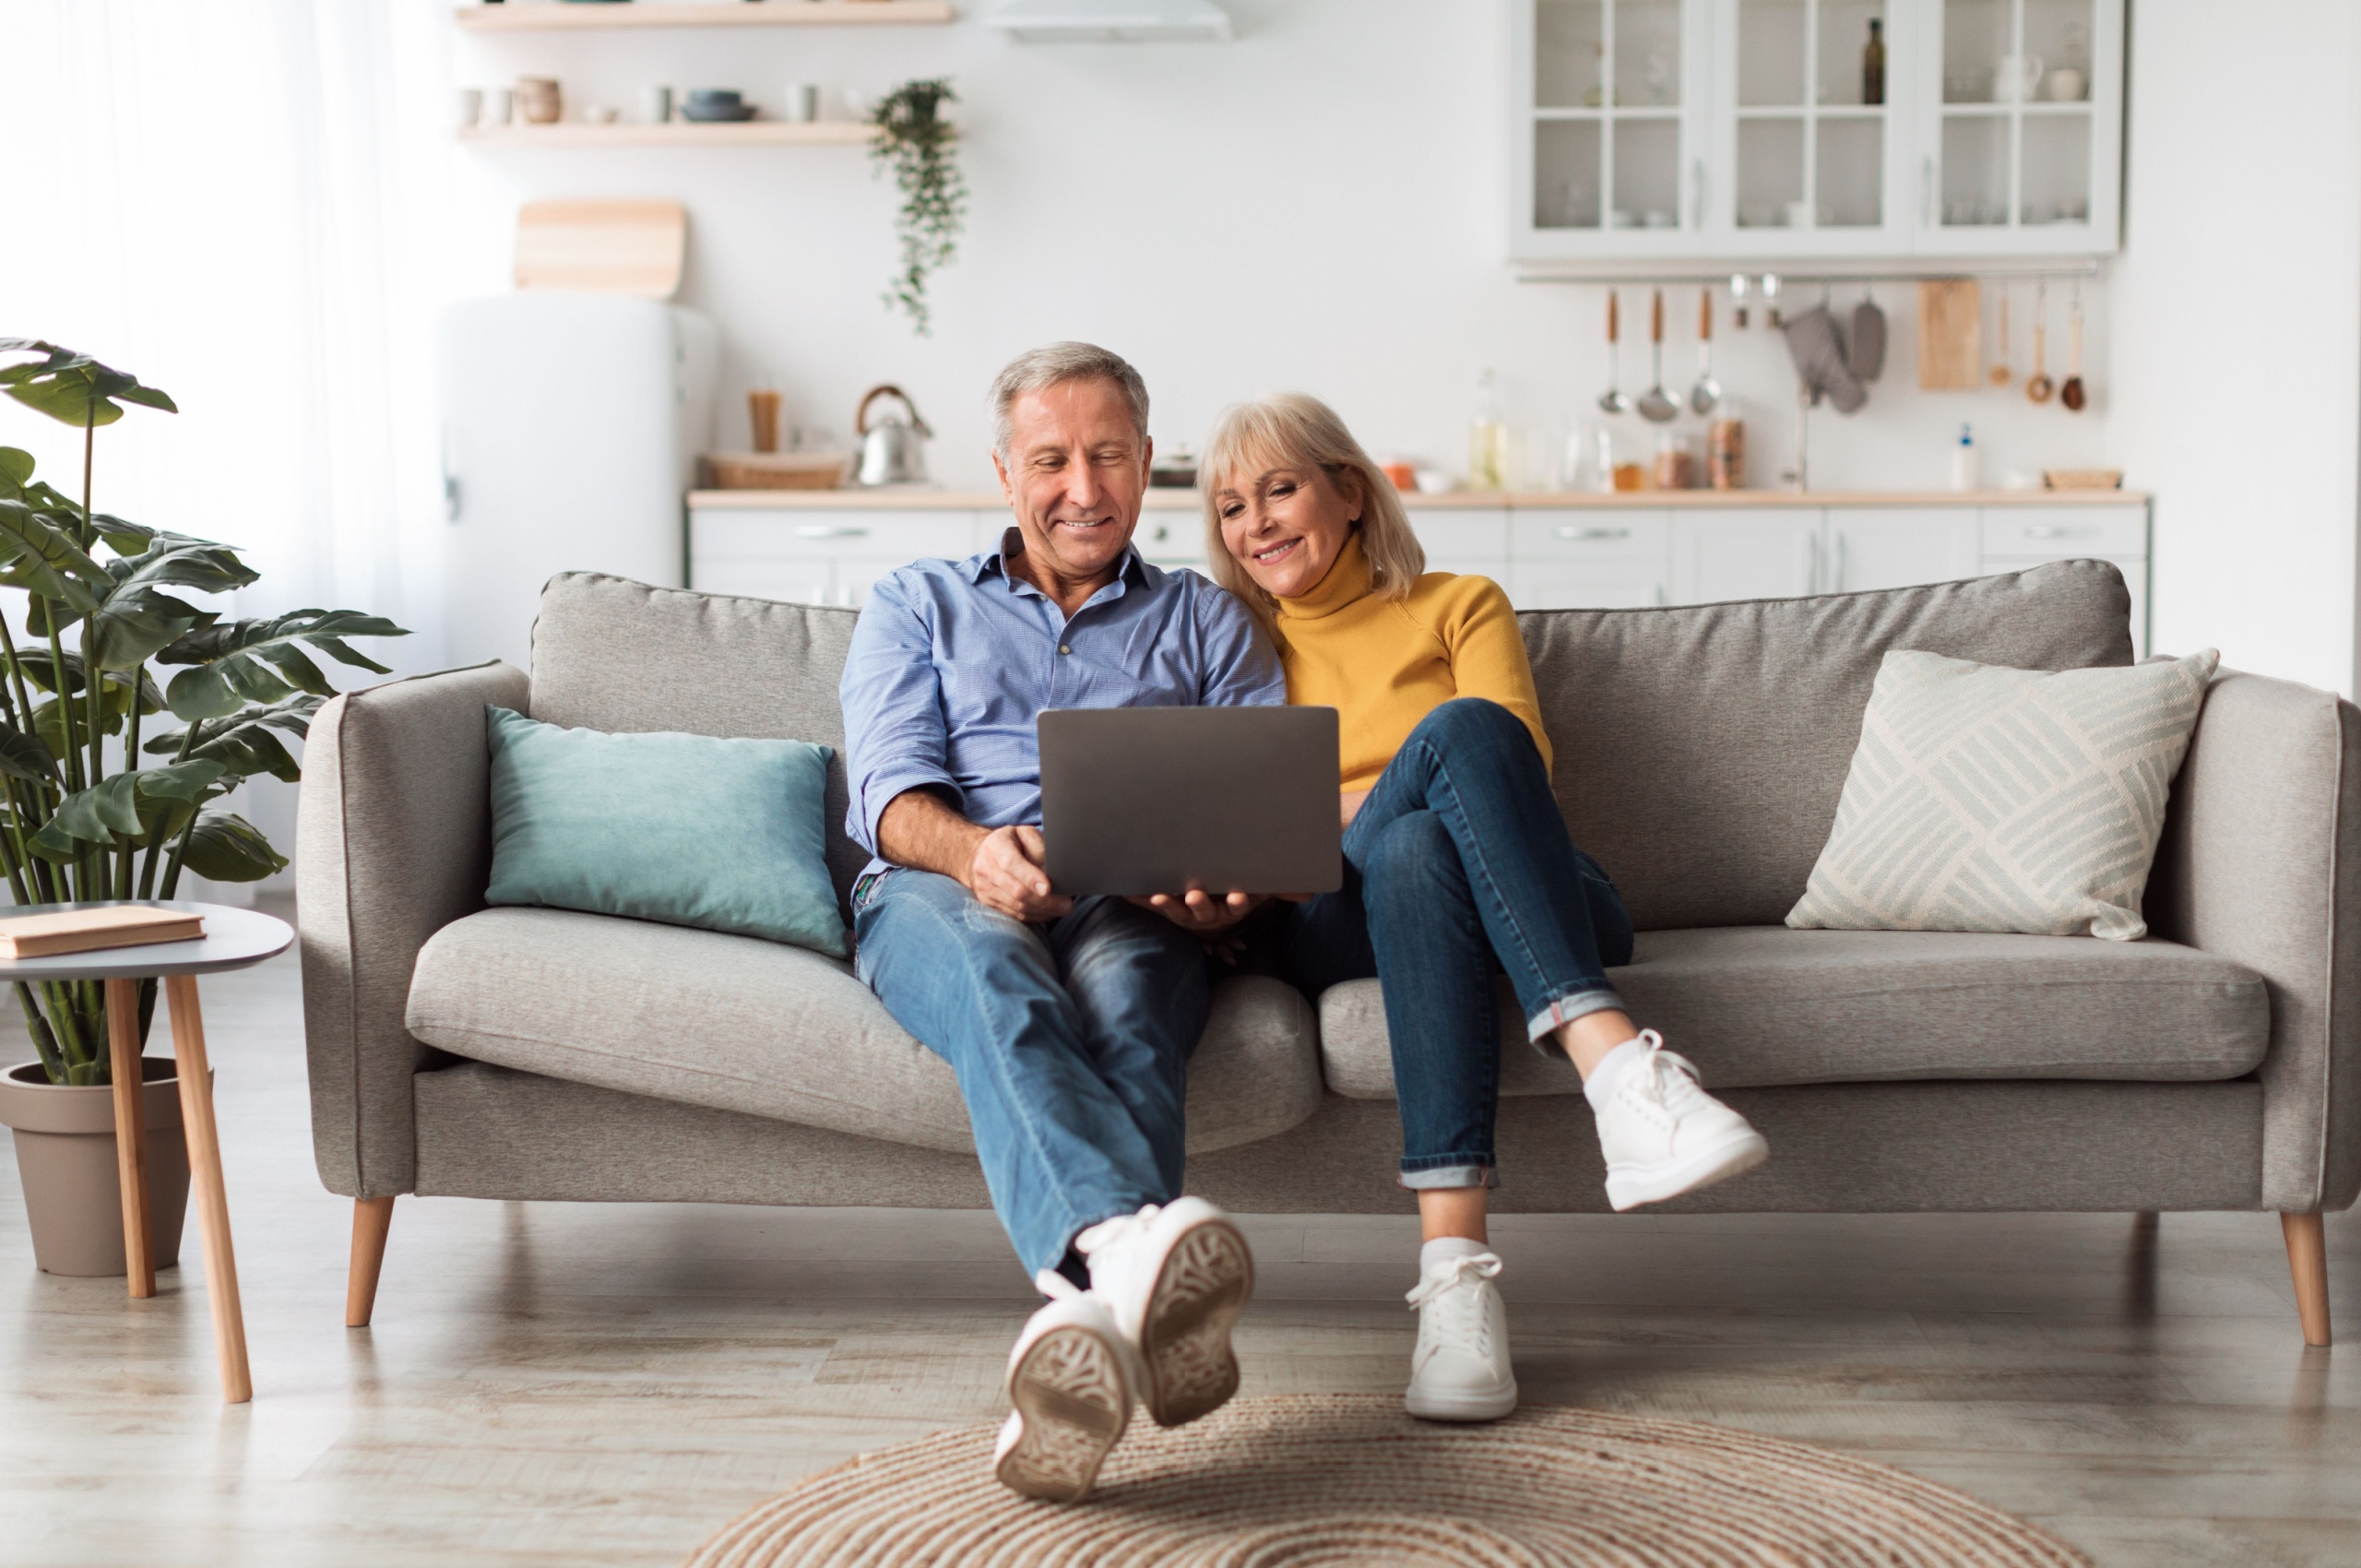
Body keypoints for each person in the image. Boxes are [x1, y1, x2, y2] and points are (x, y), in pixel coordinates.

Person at [1203, 393, 1769, 1425]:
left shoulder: (1458, 602)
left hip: (1535, 888)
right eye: (1232, 505)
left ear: (1350, 491)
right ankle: (1619, 1070)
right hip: (1336, 913)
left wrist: (1332, 802)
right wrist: (1354, 804)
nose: (1257, 522)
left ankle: (1457, 1287)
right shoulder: (1232, 648)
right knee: (1418, 809)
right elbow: (1250, 821)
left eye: (1280, 487)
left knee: (1431, 821)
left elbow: (1511, 759)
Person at [840, 343, 1282, 1504]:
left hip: (1133, 903)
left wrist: (1232, 886)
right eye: (1051, 459)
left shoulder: (1209, 621)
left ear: (1146, 465)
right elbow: (886, 795)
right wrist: (977, 852)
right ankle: (1126, 1252)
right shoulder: (912, 601)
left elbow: (1262, 802)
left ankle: (1081, 1313)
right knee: (999, 976)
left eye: (1106, 457)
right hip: (942, 892)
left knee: (1135, 998)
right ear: (1003, 470)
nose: (1080, 488)